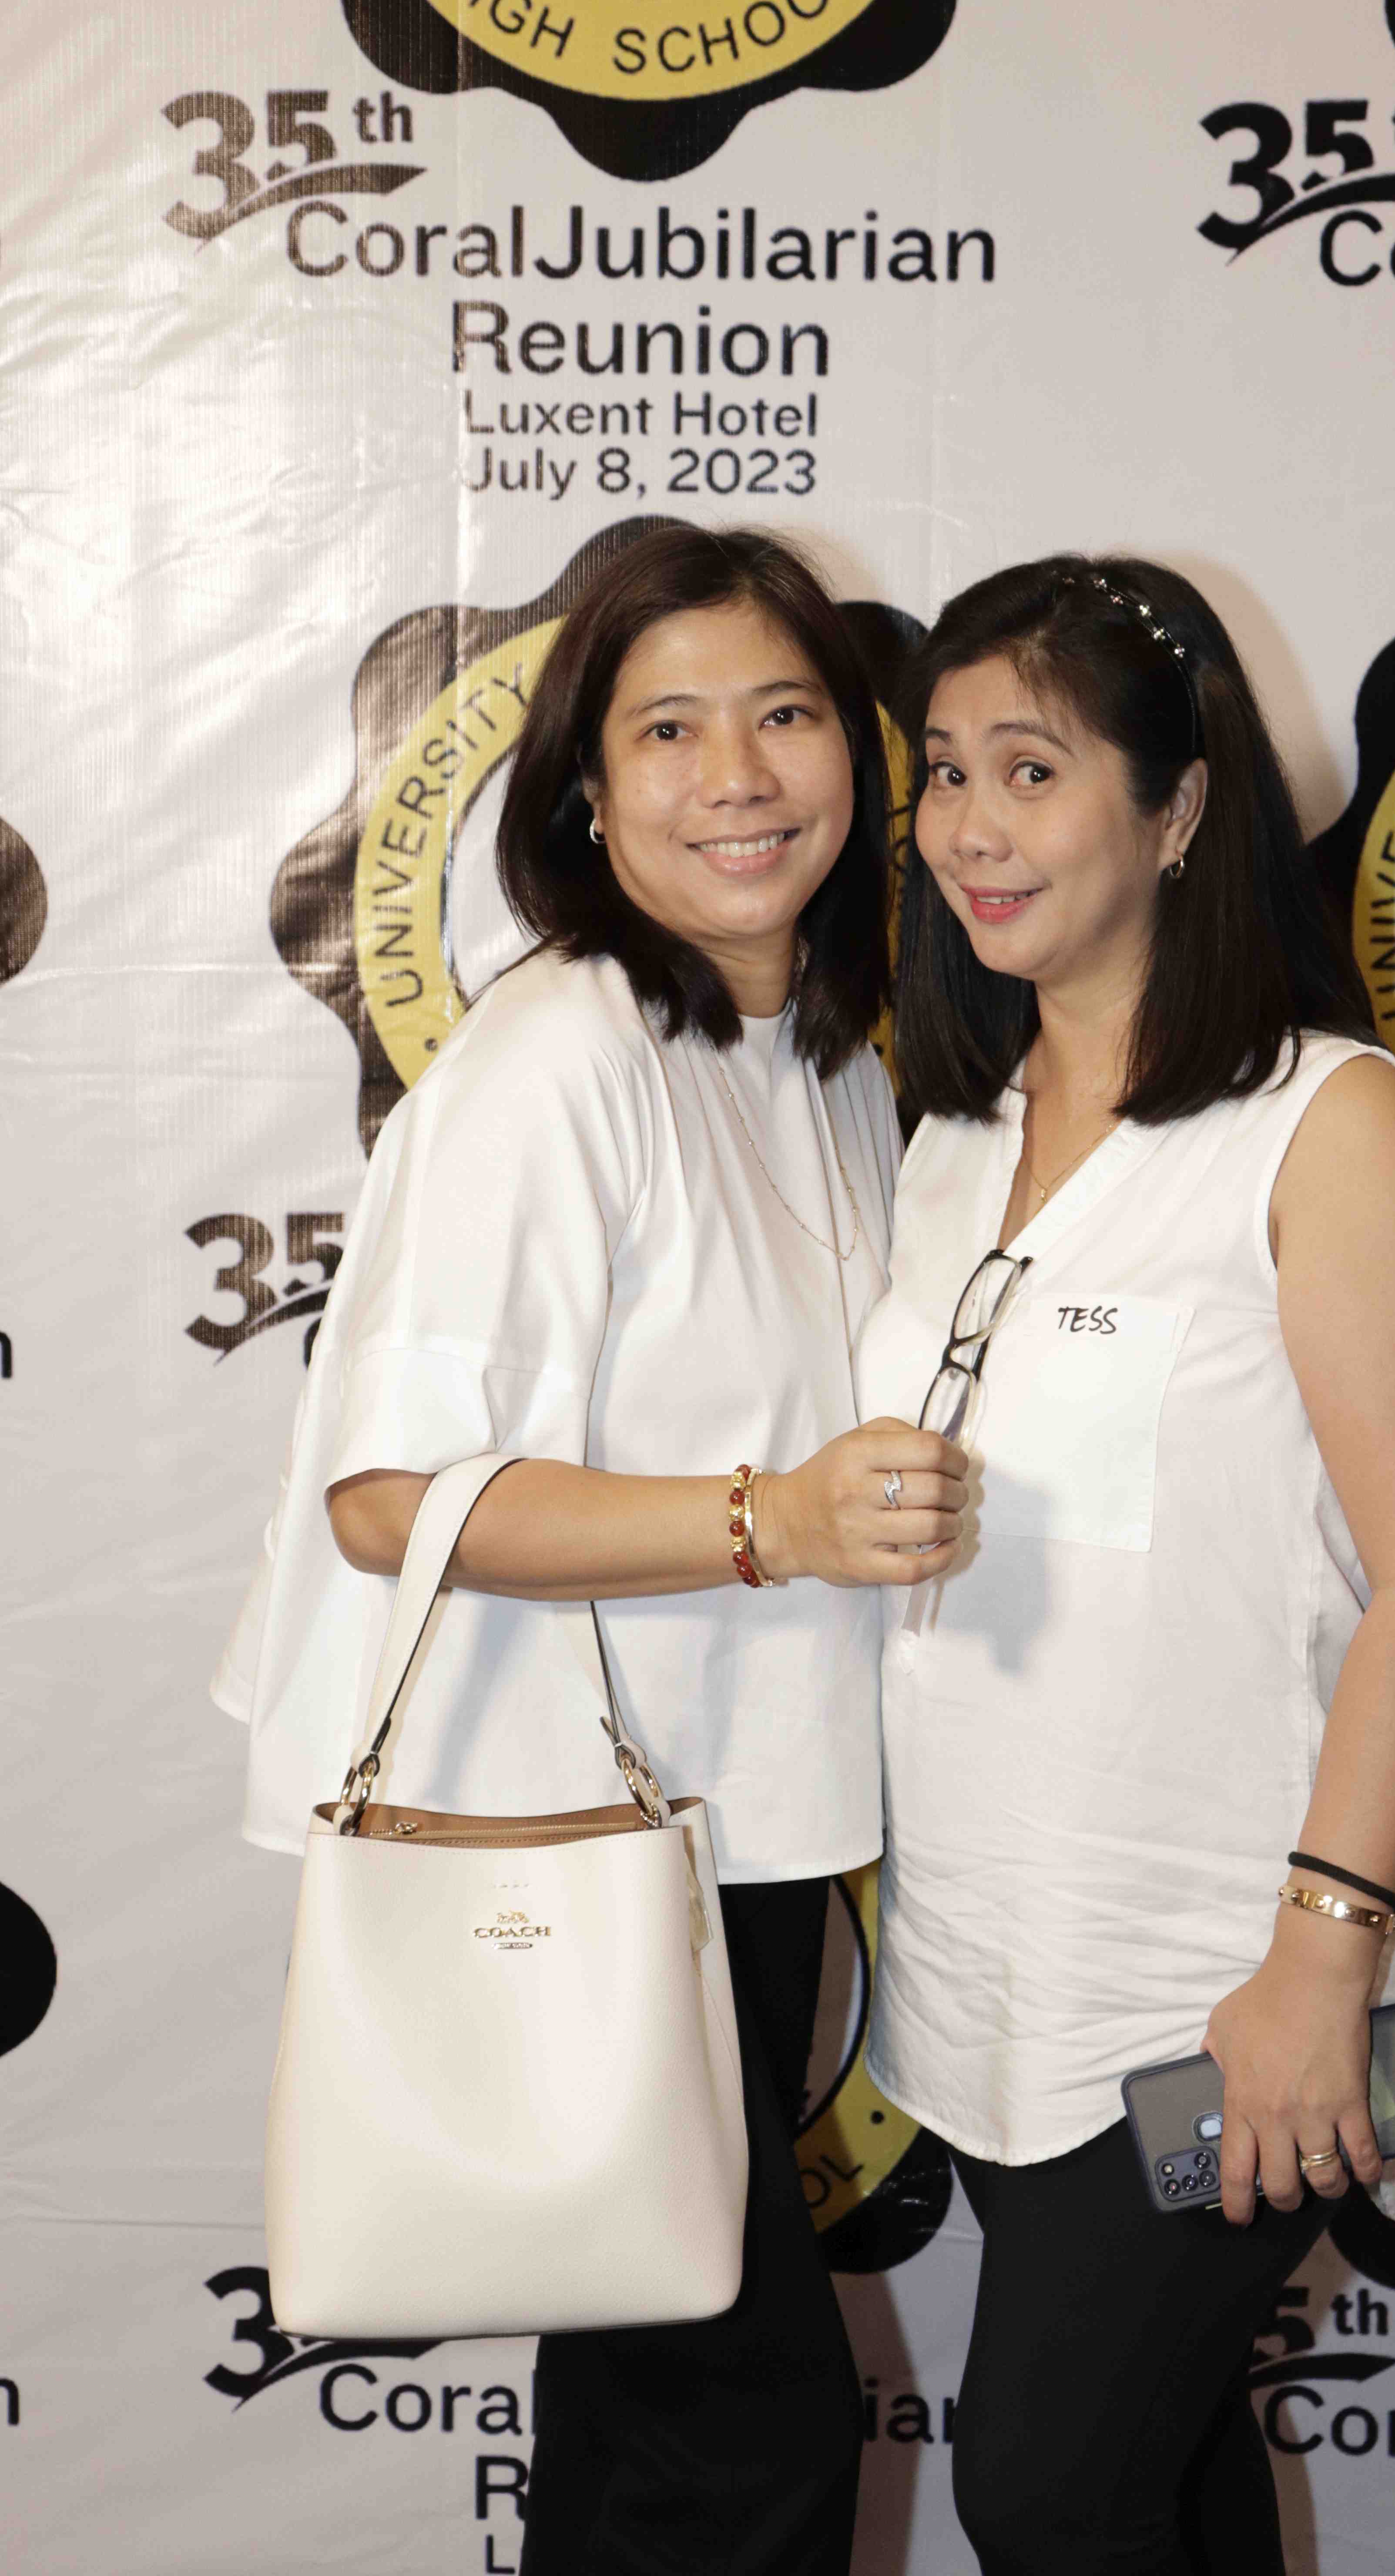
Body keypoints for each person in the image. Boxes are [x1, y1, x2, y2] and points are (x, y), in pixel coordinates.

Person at [212, 525, 969, 2575]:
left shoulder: (820, 1051)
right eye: (669, 731)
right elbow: (393, 1497)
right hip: (572, 1839)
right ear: (582, 792)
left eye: (784, 715)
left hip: (728, 1822)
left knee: (669, 2410)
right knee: (732, 2428)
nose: (739, 776)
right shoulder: (556, 1061)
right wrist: (771, 1519)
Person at [855, 555, 1395, 2576]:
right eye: (944, 771)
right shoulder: (947, 1135)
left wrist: (1319, 1962)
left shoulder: (1326, 1124)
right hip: (990, 1971)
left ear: (1179, 808)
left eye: (1032, 769)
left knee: (1048, 2491)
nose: (971, 825)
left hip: (1221, 1984)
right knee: (1155, 2479)